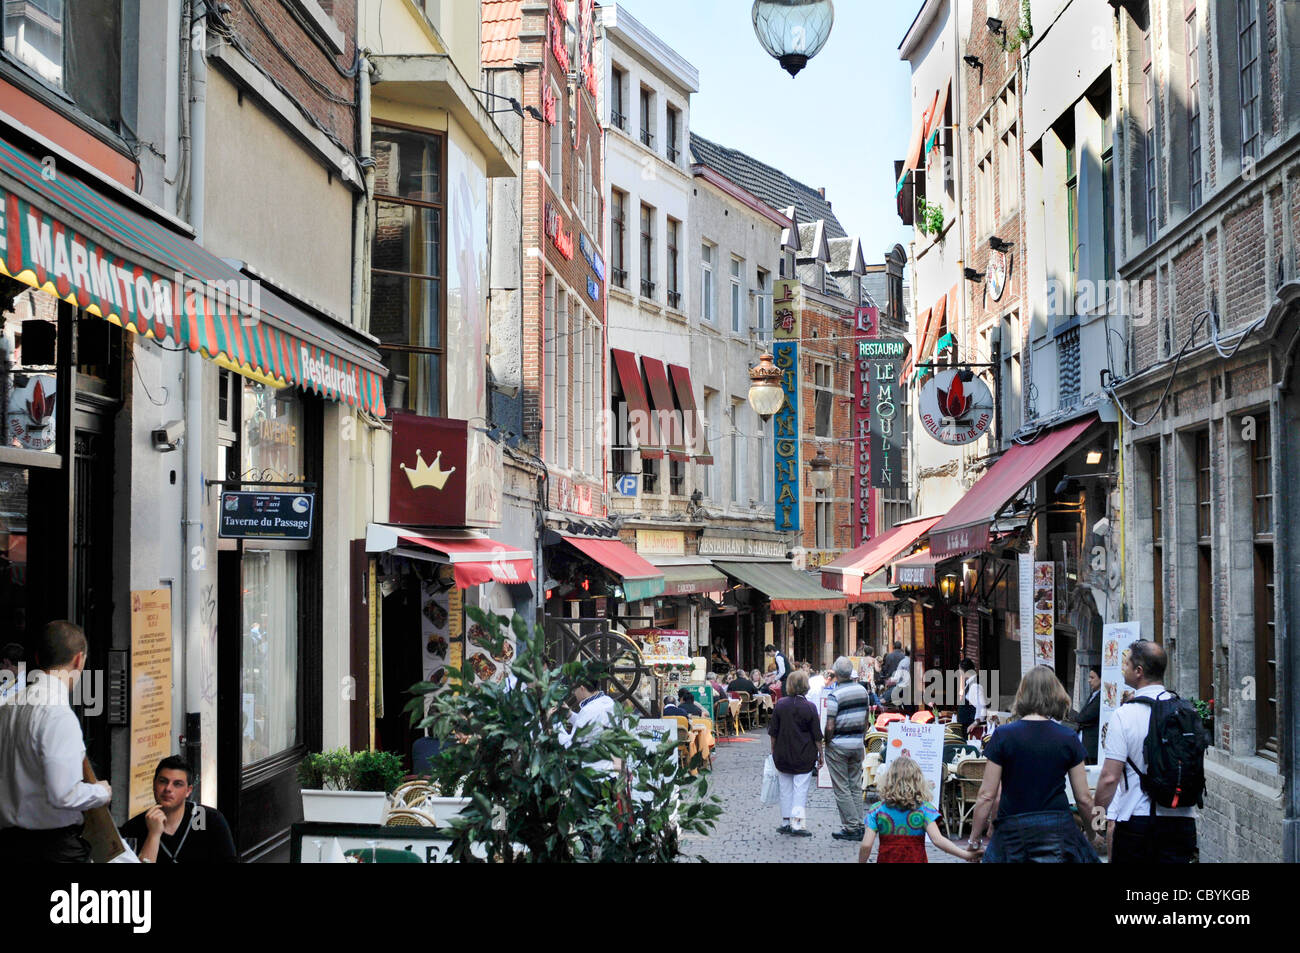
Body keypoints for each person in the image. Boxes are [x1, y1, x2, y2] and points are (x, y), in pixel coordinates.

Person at [0, 621, 111, 862]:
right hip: (53, 849)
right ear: (79, 660)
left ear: (38, 657)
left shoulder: (7, 706)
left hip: (8, 845)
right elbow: (64, 795)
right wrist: (100, 792)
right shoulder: (57, 714)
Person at [967, 665, 1101, 863]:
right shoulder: (1068, 738)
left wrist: (974, 839)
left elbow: (987, 795)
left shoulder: (1003, 736)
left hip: (1013, 829)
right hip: (1058, 829)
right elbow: (1084, 798)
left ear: (1023, 694)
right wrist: (1093, 833)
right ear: (1056, 695)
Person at [1094, 641, 1199, 863]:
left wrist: (1097, 820)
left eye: (1127, 663)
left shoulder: (1125, 715)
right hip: (1182, 820)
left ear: (1138, 672)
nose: (1123, 668)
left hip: (1138, 822)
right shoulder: (1185, 711)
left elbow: (1110, 778)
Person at [858, 757, 980, 863]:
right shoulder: (924, 809)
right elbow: (938, 840)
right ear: (918, 781)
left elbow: (866, 844)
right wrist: (965, 854)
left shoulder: (877, 810)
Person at [119, 756, 236, 863]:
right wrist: (153, 835)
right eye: (163, 781)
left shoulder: (210, 820)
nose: (168, 788)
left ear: (188, 791)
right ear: (154, 785)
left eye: (177, 784)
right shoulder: (133, 828)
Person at [767, 669, 822, 836]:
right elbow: (816, 735)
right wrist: (821, 755)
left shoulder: (781, 705)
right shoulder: (810, 707)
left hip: (782, 753)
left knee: (785, 788)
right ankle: (797, 824)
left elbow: (773, 732)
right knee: (800, 789)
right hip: (804, 753)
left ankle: (785, 822)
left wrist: (774, 751)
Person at [824, 657, 871, 841]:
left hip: (839, 744)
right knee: (855, 785)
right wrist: (862, 736)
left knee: (842, 787)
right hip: (857, 743)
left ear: (835, 673)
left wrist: (827, 742)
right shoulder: (862, 691)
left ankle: (852, 826)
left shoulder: (835, 695)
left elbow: (830, 725)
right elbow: (867, 717)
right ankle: (859, 823)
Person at [557, 677, 617, 747]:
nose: (574, 694)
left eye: (574, 690)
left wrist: (555, 724)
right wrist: (570, 715)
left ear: (582, 689)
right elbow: (591, 725)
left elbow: (570, 745)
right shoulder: (608, 701)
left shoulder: (588, 710)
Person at [1071, 665, 1102, 763]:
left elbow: (1085, 716)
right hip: (1085, 741)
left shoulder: (1101, 696)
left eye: (1092, 678)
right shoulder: (1094, 694)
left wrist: (1076, 718)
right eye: (1089, 677)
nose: (1089, 680)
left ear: (1101, 679)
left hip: (1092, 745)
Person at [956, 658, 988, 737]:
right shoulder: (969, 684)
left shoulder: (975, 686)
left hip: (970, 728)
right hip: (965, 726)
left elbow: (981, 707)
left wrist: (975, 723)